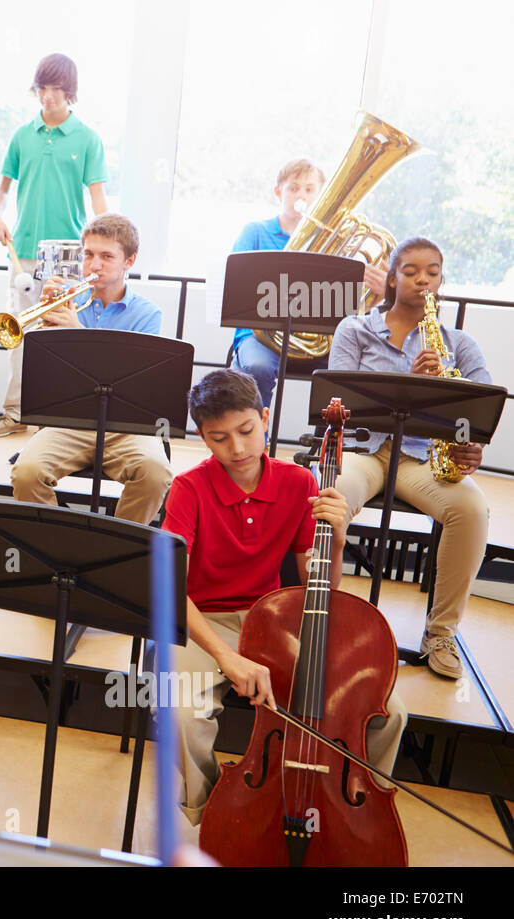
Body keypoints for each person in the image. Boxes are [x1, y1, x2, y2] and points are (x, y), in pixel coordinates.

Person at [162, 369, 406, 825]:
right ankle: (220, 808)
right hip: (201, 622)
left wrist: (334, 542)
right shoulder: (188, 488)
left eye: (246, 431)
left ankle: (358, 810)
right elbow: (168, 588)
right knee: (178, 709)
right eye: (218, 438)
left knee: (388, 711)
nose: (236, 448)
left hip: (272, 622)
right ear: (202, 437)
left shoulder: (298, 483)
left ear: (265, 417)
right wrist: (225, 658)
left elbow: (320, 588)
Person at [329, 237, 491, 680]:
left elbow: (481, 412)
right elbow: (336, 402)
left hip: (422, 459)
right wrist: (408, 381)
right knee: (332, 495)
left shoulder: (459, 344)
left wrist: (470, 442)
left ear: (441, 279)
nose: (423, 279)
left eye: (433, 272)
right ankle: (319, 618)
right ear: (392, 276)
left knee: (472, 508)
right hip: (364, 448)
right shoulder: (355, 330)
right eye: (411, 270)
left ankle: (440, 634)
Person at [9, 214, 171, 523]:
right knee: (26, 472)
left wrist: (76, 329)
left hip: (126, 425)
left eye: (107, 256)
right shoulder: (67, 300)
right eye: (88, 254)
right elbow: (47, 374)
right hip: (70, 419)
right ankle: (57, 553)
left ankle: (119, 549)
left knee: (156, 474)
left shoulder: (147, 314)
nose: (94, 264)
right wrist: (47, 331)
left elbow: (132, 382)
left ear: (130, 261)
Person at [0, 52, 108, 438]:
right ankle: (15, 411)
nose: (49, 96)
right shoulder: (23, 136)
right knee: (19, 333)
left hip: (69, 256)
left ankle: (55, 420)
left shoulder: (88, 139)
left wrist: (106, 244)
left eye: (56, 89)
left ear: (69, 92)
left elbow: (98, 199)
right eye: (43, 88)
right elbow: (2, 192)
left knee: (58, 337)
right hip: (22, 252)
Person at [227, 158, 386, 409]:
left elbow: (346, 309)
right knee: (256, 367)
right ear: (279, 192)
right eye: (293, 188)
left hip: (316, 342)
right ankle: (257, 445)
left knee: (348, 372)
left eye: (310, 189)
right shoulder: (255, 232)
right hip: (261, 337)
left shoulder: (340, 242)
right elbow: (235, 285)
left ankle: (324, 445)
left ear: (321, 196)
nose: (301, 194)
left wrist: (377, 294)